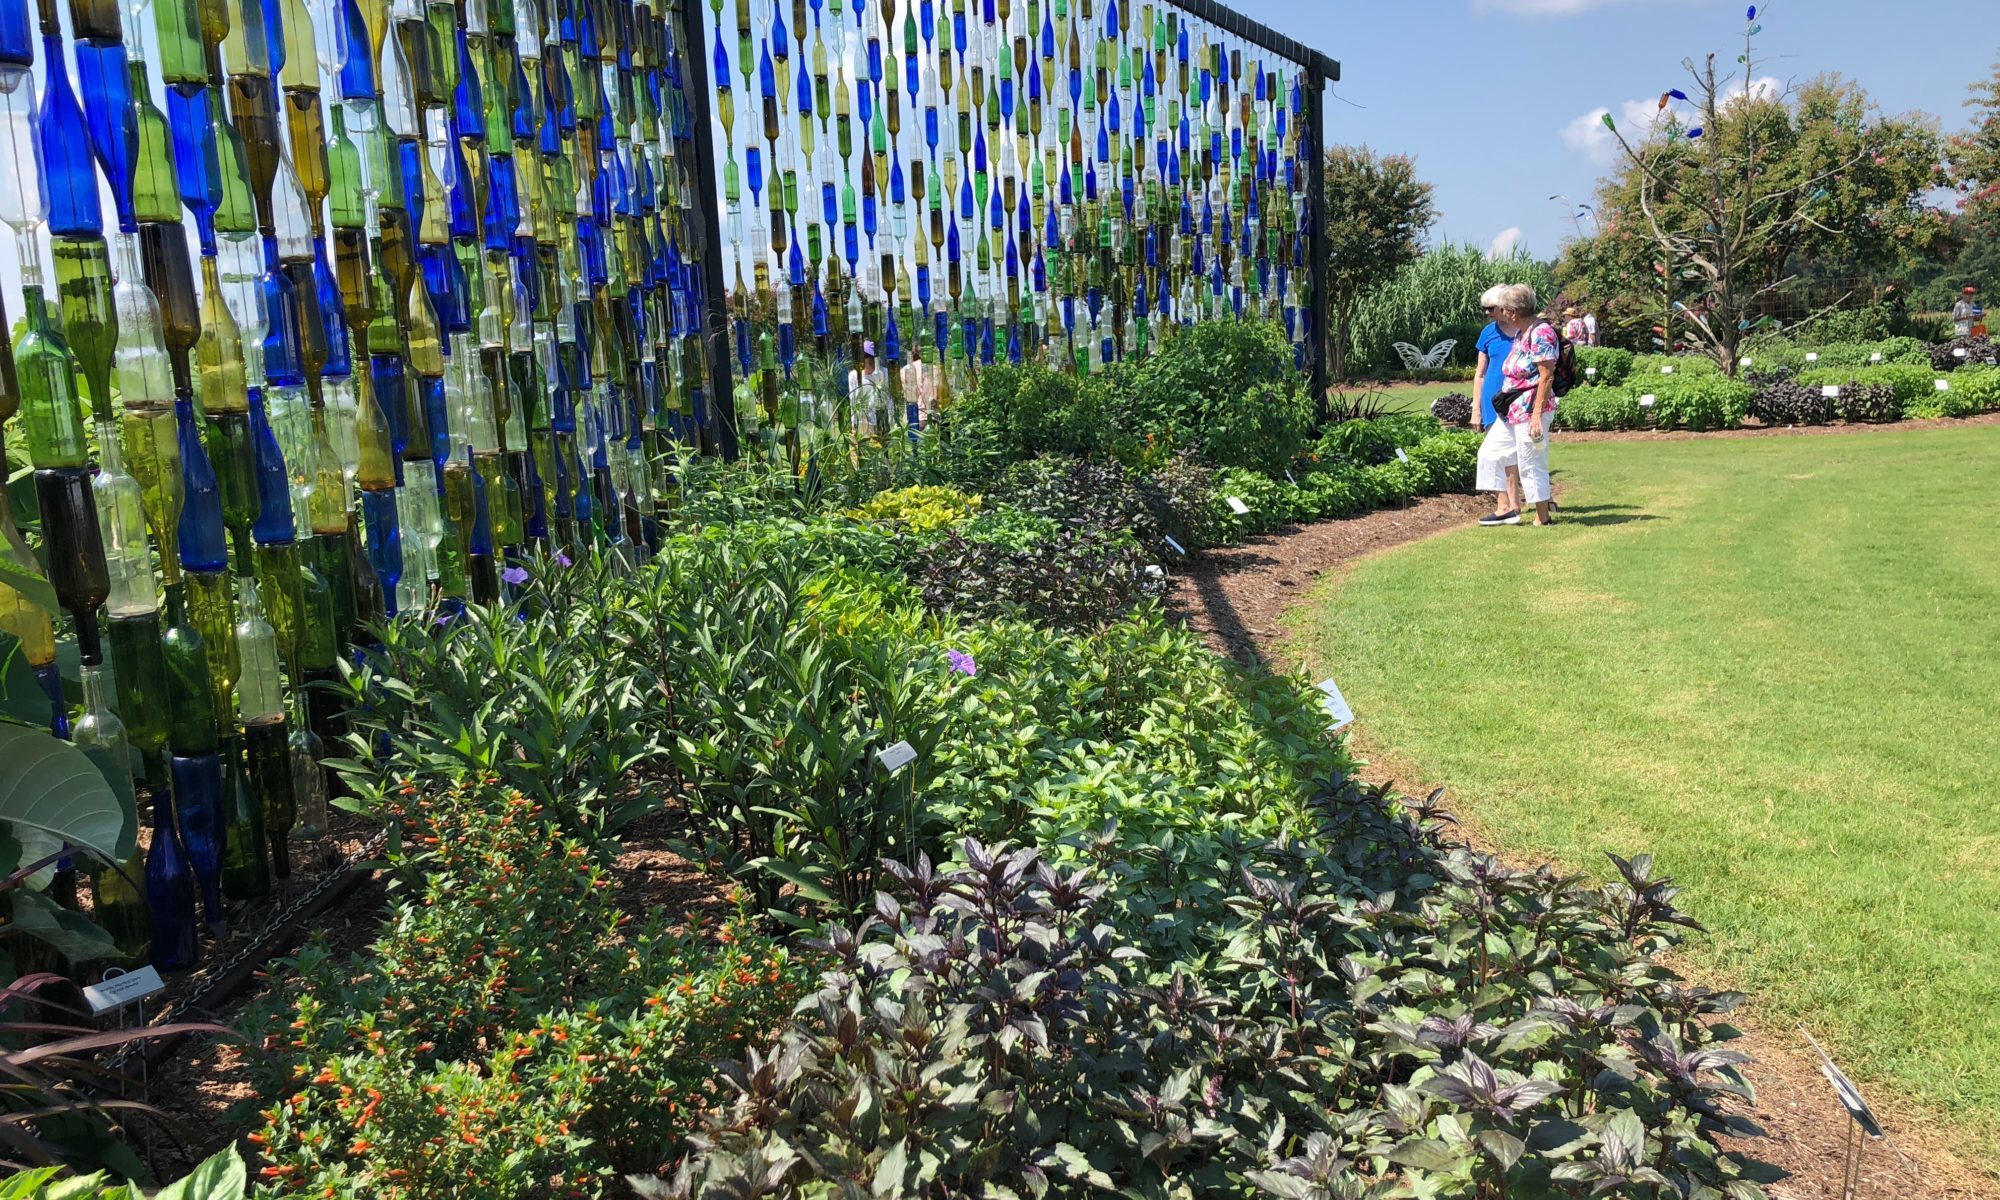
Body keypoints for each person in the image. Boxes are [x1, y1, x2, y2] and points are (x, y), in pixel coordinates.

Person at [1476, 284, 1560, 528]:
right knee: (1490, 453)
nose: (1499, 313)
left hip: (1532, 408)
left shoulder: (1541, 332)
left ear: (1513, 312)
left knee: (1531, 461)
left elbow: (1546, 376)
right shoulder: (1522, 332)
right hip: (1513, 409)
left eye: (1502, 309)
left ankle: (1542, 517)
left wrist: (1536, 416)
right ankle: (1506, 509)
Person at [1471, 286, 1512, 429]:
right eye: (1485, 308)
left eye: (1490, 308)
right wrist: (1476, 409)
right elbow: (1480, 374)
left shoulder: (1525, 331)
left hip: (1520, 399)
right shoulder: (1488, 333)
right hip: (1492, 398)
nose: (1487, 313)